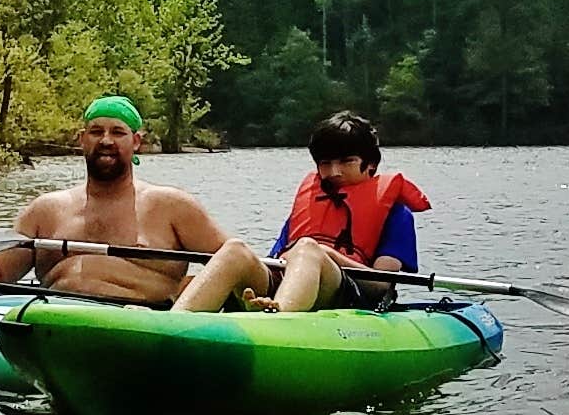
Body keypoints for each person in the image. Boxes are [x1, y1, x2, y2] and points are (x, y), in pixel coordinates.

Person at [0, 97, 232, 303]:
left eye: (118, 132)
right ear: (82, 140)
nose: (106, 140)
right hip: (54, 319)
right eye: (96, 131)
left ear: (136, 141)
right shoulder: (45, 209)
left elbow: (232, 263)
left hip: (141, 323)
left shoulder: (173, 206)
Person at [168, 109, 430, 315]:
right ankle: (176, 320)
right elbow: (277, 261)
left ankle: (277, 318)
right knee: (236, 249)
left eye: (347, 161)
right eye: (325, 163)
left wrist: (324, 253)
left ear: (370, 164)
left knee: (306, 248)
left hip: (346, 293)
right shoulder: (311, 203)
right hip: (286, 283)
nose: (334, 172)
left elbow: (380, 285)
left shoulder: (396, 213)